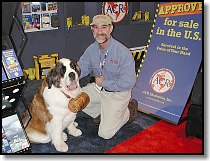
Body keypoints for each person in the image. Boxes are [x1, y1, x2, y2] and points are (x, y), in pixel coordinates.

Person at [78, 14, 138, 139]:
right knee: (75, 98)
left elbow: (128, 83)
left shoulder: (123, 52)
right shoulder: (92, 49)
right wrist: (70, 76)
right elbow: (82, 68)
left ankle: (128, 111)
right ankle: (105, 113)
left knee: (105, 134)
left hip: (117, 94)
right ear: (92, 29)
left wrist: (105, 83)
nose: (100, 31)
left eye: (104, 27)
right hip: (98, 89)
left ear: (111, 29)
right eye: (96, 27)